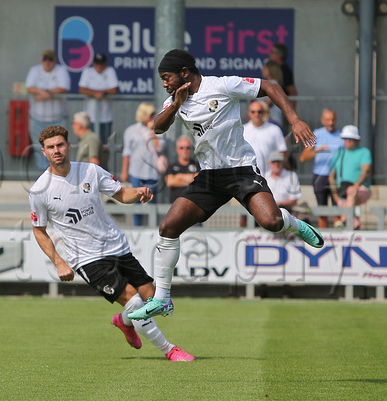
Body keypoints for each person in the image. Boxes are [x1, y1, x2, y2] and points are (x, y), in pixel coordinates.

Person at [128, 49, 324, 320]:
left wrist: (294, 119)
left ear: (184, 72)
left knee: (271, 222)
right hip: (210, 176)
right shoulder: (174, 100)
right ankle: (162, 298)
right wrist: (175, 104)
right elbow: (158, 127)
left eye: (166, 77)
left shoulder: (221, 85)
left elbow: (270, 86)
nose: (164, 83)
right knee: (168, 227)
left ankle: (295, 224)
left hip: (241, 170)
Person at [29, 125, 194, 361]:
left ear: (69, 146)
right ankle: (169, 350)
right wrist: (59, 262)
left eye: (60, 145)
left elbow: (121, 194)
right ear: (44, 152)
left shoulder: (90, 171)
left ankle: (124, 322)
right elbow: (39, 230)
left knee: (154, 299)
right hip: (86, 258)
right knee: (134, 301)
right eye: (50, 147)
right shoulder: (39, 190)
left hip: (116, 246)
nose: (56, 150)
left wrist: (139, 192)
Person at [121, 102, 166, 226]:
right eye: (150, 115)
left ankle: (152, 227)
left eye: (153, 115)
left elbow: (160, 147)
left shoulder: (159, 129)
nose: (152, 117)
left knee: (151, 201)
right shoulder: (131, 130)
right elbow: (127, 152)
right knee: (136, 200)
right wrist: (124, 171)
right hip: (136, 171)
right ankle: (137, 226)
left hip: (152, 172)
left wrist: (152, 132)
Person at [25, 49, 71, 172]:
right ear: (42, 60)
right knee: (40, 150)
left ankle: (59, 175)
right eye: (45, 59)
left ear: (54, 61)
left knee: (59, 150)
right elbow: (29, 87)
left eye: (50, 60)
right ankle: (44, 178)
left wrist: (47, 93)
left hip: (57, 119)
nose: (47, 62)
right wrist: (43, 92)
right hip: (37, 118)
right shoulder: (35, 70)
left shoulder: (61, 70)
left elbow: (63, 88)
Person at [299, 108, 344, 229]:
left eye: (333, 119)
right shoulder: (317, 135)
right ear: (323, 121)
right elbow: (303, 157)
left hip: (336, 177)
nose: (331, 123)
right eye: (328, 120)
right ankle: (323, 236)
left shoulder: (341, 137)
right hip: (320, 176)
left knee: (337, 209)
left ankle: (339, 237)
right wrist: (318, 149)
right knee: (322, 210)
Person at [329, 125, 372, 230]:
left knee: (351, 192)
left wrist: (356, 186)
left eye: (350, 139)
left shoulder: (364, 152)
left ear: (356, 140)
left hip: (361, 190)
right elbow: (331, 177)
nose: (347, 141)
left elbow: (366, 171)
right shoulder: (339, 153)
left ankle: (342, 220)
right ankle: (355, 240)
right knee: (354, 223)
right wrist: (335, 196)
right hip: (343, 195)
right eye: (345, 139)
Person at [78, 53, 119, 146]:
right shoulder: (87, 71)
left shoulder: (110, 71)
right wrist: (96, 94)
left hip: (105, 117)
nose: (99, 66)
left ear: (105, 64)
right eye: (97, 64)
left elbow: (114, 89)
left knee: (103, 145)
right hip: (89, 117)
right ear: (93, 64)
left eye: (101, 64)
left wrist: (102, 93)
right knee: (88, 144)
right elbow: (82, 89)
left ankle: (102, 161)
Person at [243, 100, 287, 175]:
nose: (256, 114)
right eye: (253, 112)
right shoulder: (242, 130)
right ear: (249, 113)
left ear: (263, 112)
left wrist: (276, 170)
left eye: (259, 112)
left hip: (269, 176)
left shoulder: (274, 129)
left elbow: (282, 151)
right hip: (248, 175)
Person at [165, 135, 199, 203]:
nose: (185, 150)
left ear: (192, 149)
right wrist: (191, 181)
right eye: (182, 148)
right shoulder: (171, 166)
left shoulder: (198, 165)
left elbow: (200, 180)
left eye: (188, 148)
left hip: (194, 203)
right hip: (175, 203)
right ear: (177, 149)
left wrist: (179, 177)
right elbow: (170, 182)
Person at [260, 60, 284, 128]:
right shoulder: (274, 83)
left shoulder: (272, 84)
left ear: (270, 70)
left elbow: (268, 102)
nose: (262, 70)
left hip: (271, 121)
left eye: (265, 68)